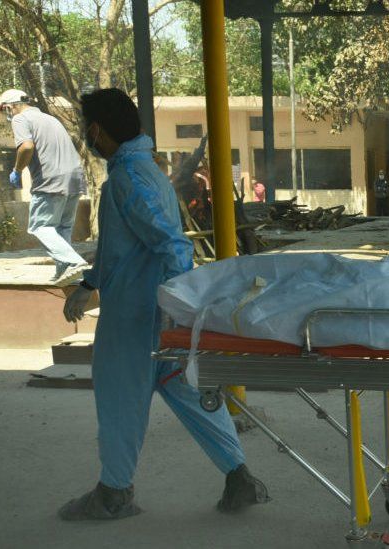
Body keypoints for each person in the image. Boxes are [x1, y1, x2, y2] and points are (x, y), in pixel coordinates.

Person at [60, 88, 269, 521]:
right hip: (159, 315)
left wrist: (179, 305)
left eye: (86, 129)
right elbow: (121, 247)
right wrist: (89, 282)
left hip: (137, 318)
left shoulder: (128, 178)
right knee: (190, 395)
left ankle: (114, 493)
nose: (86, 136)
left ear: (97, 130)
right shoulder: (145, 171)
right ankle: (238, 476)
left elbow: (173, 247)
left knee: (119, 400)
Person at [0, 89, 88, 285]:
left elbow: (27, 147)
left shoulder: (20, 119)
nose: (7, 114)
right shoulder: (50, 119)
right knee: (62, 228)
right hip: (74, 179)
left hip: (50, 180)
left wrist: (17, 170)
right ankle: (65, 273)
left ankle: (73, 262)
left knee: (40, 226)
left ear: (12, 105)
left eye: (5, 110)